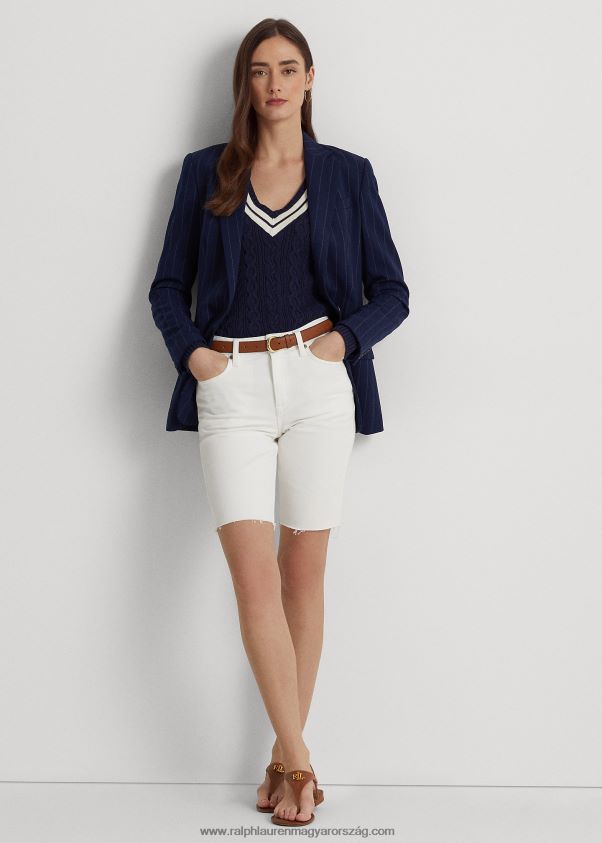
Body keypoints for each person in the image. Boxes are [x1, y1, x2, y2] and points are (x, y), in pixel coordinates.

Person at [148, 18, 409, 827]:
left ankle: (280, 757)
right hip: (229, 386)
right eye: (260, 70)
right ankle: (300, 761)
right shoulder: (205, 173)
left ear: (310, 78)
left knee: (303, 574)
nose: (274, 84)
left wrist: (342, 343)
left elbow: (392, 291)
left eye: (288, 69)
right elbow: (167, 287)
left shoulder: (347, 175)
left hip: (317, 383)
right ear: (245, 83)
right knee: (253, 576)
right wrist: (196, 357)